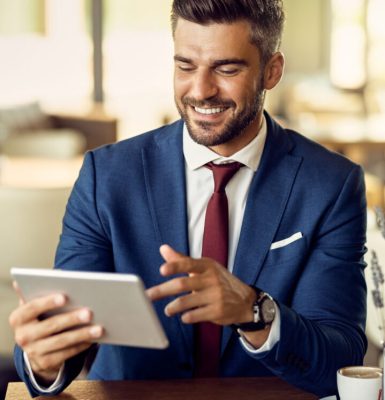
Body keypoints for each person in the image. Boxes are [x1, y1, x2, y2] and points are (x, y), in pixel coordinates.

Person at [9, 0, 367, 398]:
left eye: (226, 68)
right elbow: (71, 325)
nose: (200, 90)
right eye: (185, 66)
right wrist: (45, 360)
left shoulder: (331, 184)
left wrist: (254, 310)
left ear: (272, 71)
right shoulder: (106, 176)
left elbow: (340, 360)